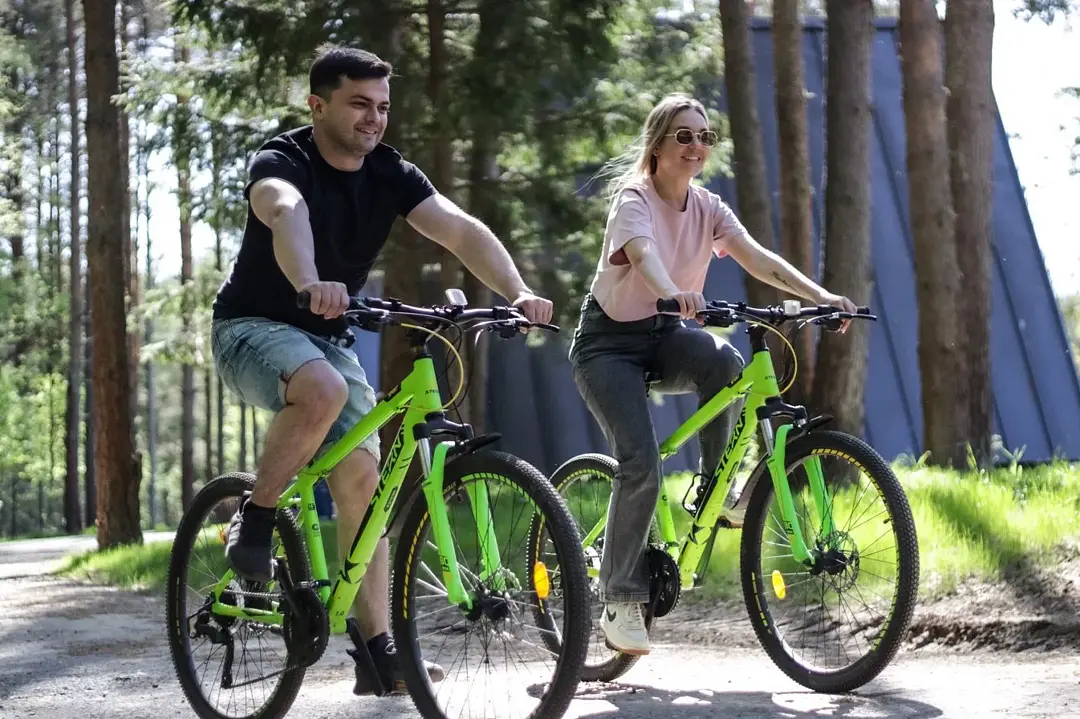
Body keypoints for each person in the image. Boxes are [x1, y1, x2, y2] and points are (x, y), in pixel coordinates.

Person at [210, 44, 553, 695]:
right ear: (318, 106)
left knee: (363, 482)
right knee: (322, 389)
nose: (374, 118)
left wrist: (517, 290)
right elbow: (286, 213)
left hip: (326, 336)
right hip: (250, 329)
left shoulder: (391, 172)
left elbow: (458, 229)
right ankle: (256, 516)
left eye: (383, 106)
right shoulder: (282, 161)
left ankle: (377, 654)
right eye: (359, 104)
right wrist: (309, 280)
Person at [569, 93, 856, 656]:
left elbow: (758, 258)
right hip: (608, 345)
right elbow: (644, 256)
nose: (697, 146)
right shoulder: (634, 199)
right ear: (657, 145)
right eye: (684, 136)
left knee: (725, 363)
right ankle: (620, 597)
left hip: (664, 334)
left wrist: (821, 296)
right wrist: (674, 292)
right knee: (641, 462)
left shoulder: (708, 207)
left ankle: (713, 489)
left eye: (705, 137)